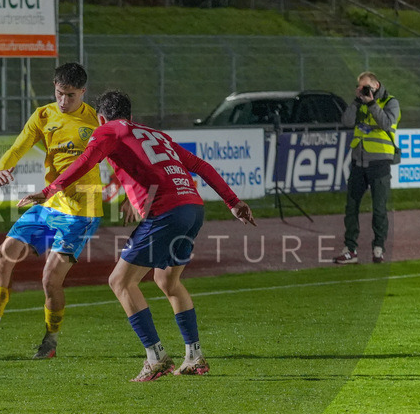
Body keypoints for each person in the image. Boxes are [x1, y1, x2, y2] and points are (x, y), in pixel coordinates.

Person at [19, 90, 256, 382]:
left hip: (166, 212)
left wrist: (48, 191)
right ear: (131, 115)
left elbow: (85, 161)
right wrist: (233, 202)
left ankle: (155, 358)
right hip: (193, 209)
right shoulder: (157, 134)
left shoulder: (108, 130)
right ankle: (194, 357)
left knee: (120, 281)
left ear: (101, 117)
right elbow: (200, 166)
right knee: (167, 280)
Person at [0, 62, 103, 359]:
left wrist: (130, 194)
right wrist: (3, 167)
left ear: (83, 92)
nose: (64, 101)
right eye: (60, 93)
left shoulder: (97, 121)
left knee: (50, 280)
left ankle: (50, 340)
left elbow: (122, 157)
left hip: (81, 212)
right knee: (2, 257)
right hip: (48, 205)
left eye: (71, 95)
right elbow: (19, 145)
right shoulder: (44, 115)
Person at [333, 71, 401, 265]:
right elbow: (346, 121)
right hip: (358, 162)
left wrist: (371, 103)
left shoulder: (390, 102)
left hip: (379, 162)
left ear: (376, 85)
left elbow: (387, 123)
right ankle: (350, 250)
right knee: (351, 207)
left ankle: (378, 248)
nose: (364, 90)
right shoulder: (359, 102)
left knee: (379, 209)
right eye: (361, 87)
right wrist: (356, 101)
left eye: (367, 87)